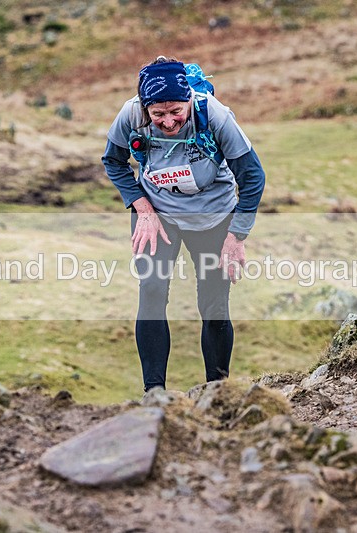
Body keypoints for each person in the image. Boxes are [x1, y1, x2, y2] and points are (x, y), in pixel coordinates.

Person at [101, 56, 265, 393]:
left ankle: (217, 392)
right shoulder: (130, 114)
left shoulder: (215, 115)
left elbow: (253, 178)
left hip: (214, 216)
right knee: (152, 292)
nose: (169, 122)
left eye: (176, 111)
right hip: (157, 216)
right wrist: (142, 207)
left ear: (189, 99)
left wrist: (237, 235)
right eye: (158, 114)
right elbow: (113, 162)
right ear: (145, 108)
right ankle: (154, 394)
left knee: (214, 305)